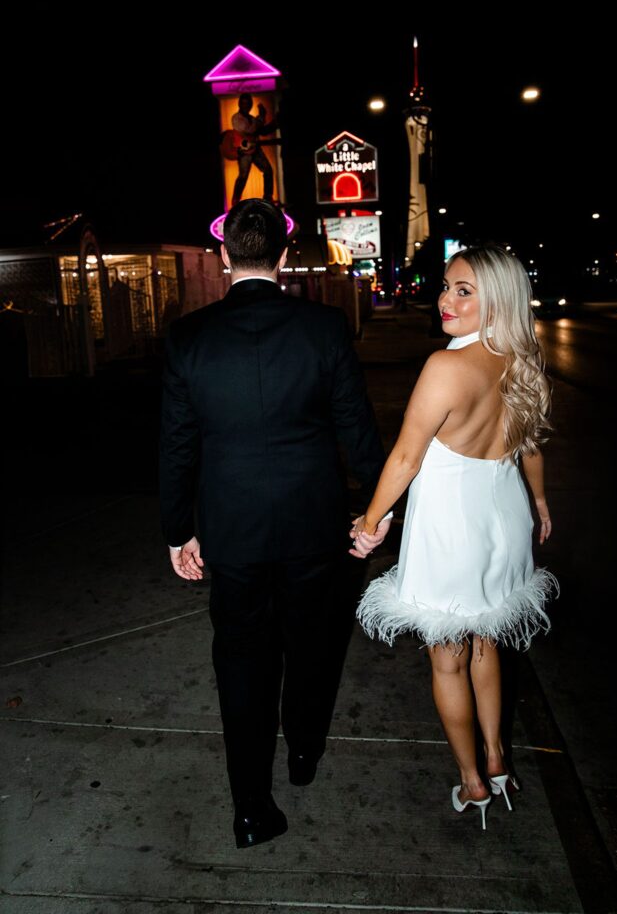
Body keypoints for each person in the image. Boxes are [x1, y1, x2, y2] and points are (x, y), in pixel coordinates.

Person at [159, 198, 389, 849]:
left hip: (231, 530)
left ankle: (251, 809)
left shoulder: (187, 337)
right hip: (314, 526)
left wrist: (179, 530)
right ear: (285, 257)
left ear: (224, 255)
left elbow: (177, 446)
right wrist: (377, 512)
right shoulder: (323, 328)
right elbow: (357, 432)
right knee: (312, 646)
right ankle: (303, 753)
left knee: (241, 662)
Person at [353, 244, 558, 831]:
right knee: (487, 641)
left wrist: (370, 525)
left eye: (464, 290)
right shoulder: (519, 356)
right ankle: (498, 760)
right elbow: (531, 444)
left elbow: (404, 458)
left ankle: (473, 783)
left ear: (496, 299)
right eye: (446, 286)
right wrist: (539, 501)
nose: (445, 299)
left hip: (453, 528)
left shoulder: (447, 367)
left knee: (448, 658)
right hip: (505, 515)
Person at [231, 94, 277, 206]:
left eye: (248, 103)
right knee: (243, 176)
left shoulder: (251, 119)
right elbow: (248, 130)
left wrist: (261, 117)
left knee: (268, 170)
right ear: (240, 104)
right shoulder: (236, 118)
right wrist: (260, 119)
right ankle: (235, 200)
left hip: (255, 149)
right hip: (245, 151)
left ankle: (268, 196)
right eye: (244, 103)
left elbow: (258, 128)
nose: (246, 106)